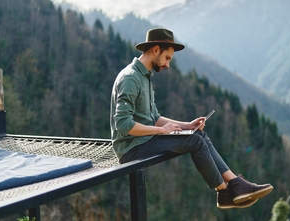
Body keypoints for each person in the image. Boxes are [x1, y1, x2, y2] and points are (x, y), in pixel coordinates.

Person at [110, 28, 273, 209]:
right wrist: (161, 131)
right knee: (194, 141)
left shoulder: (145, 77)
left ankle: (235, 183)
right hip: (131, 149)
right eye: (167, 58)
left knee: (198, 135)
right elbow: (124, 125)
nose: (168, 64)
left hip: (145, 140)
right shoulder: (131, 78)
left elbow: (154, 117)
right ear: (156, 50)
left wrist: (187, 125)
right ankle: (224, 191)